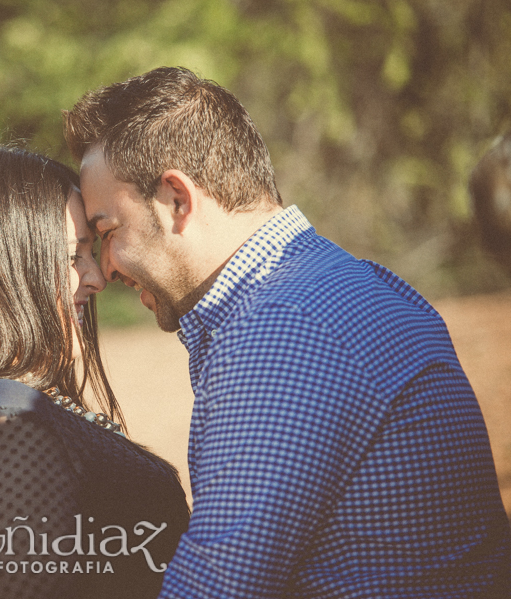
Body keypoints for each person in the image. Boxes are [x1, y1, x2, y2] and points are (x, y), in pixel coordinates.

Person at [63, 67, 511, 598]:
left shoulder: (283, 332)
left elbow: (216, 587)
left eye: (108, 231)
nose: (107, 267)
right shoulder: (350, 282)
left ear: (176, 200)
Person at [0, 145, 190, 599]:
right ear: (1, 268)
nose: (96, 277)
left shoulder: (14, 411)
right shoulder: (4, 430)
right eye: (75, 257)